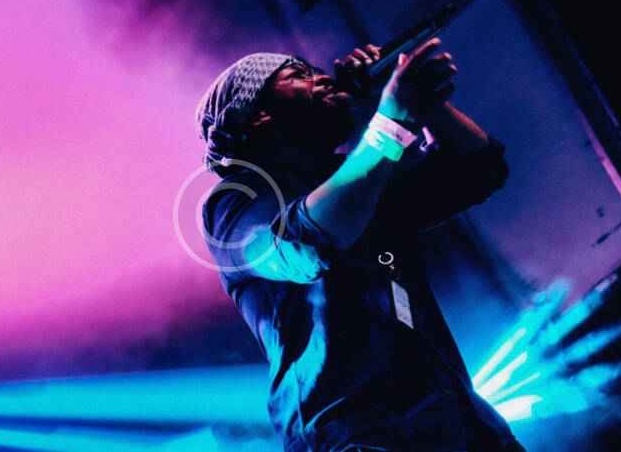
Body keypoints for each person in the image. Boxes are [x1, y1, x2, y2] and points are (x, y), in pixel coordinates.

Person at [194, 38, 526, 452]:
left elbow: (479, 169)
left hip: (456, 418)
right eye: (298, 74)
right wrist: (389, 120)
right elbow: (304, 246)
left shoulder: (363, 174)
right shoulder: (234, 200)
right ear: (258, 115)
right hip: (352, 431)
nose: (321, 77)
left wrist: (421, 105)